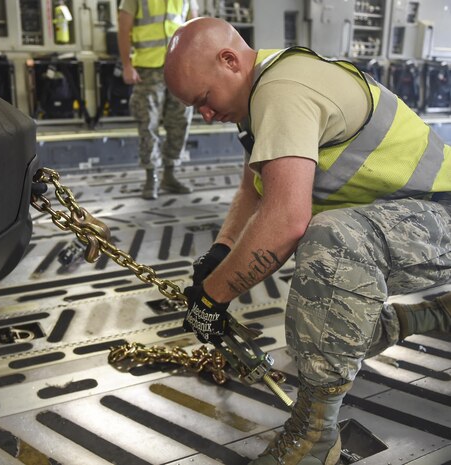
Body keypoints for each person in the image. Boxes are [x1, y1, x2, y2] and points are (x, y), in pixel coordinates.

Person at [164, 17, 451, 465]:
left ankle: (315, 434)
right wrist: (219, 256)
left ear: (229, 60)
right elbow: (253, 191)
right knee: (321, 298)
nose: (205, 114)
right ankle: (432, 316)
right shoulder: (263, 95)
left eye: (203, 99)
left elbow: (285, 220)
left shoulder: (282, 91)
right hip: (414, 220)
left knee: (333, 242)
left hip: (443, 218)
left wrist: (212, 300)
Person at [117, 0, 197, 199]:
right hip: (147, 69)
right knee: (147, 122)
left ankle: (170, 175)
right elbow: (123, 27)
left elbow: (195, 29)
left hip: (180, 67)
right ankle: (151, 176)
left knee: (180, 121)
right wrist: (127, 65)